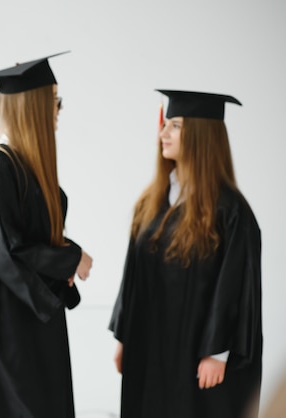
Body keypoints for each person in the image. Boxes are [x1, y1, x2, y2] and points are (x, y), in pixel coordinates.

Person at [109, 89, 263, 418]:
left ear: (201, 135)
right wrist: (125, 336)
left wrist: (217, 351)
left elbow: (236, 285)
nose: (162, 133)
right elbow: (132, 276)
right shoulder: (151, 203)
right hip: (151, 346)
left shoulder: (230, 211)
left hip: (199, 353)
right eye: (165, 124)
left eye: (174, 126)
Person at [0, 53, 93, 418]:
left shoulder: (25, 163)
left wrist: (65, 258)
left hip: (36, 311)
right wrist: (69, 258)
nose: (59, 109)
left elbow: (29, 238)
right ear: (34, 106)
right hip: (12, 320)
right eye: (55, 101)